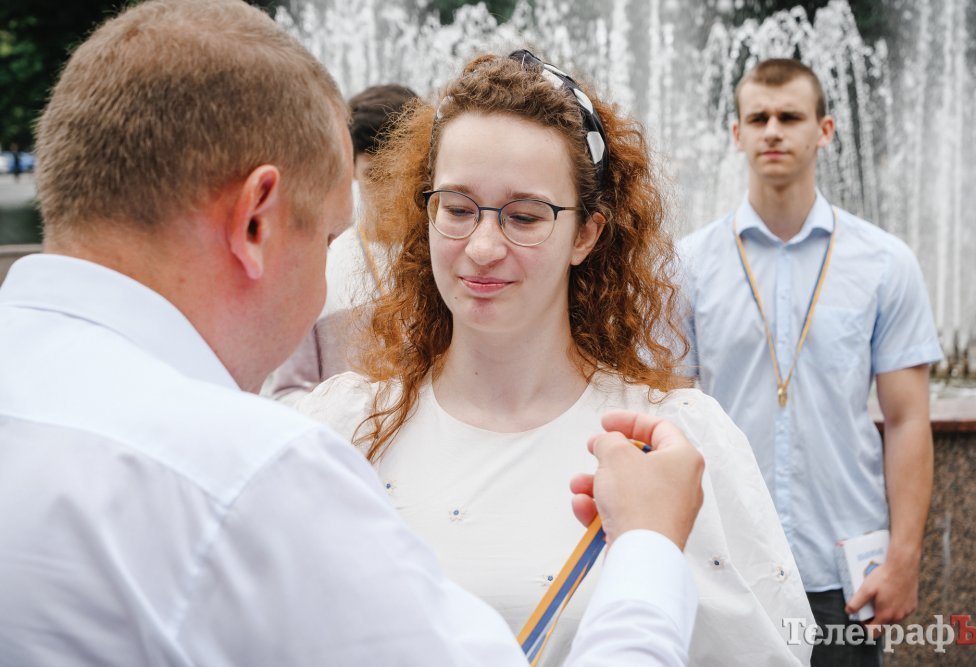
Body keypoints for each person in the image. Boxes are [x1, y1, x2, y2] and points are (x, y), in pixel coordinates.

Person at [0, 2, 708, 665]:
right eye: (329, 237)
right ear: (256, 221)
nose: (483, 246)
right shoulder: (249, 477)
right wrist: (648, 546)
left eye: (524, 216)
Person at [298, 50, 813, 666]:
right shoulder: (344, 429)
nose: (483, 247)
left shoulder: (671, 443)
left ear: (587, 234)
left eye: (524, 217)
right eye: (457, 209)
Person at [678, 58, 943, 666]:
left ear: (824, 130)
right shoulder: (687, 265)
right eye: (758, 118)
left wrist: (905, 558)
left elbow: (908, 420)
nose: (773, 131)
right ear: (736, 134)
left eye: (789, 117)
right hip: (730, 563)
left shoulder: (885, 262)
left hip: (844, 568)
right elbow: (672, 420)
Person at [265, 84, 419, 404]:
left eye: (401, 174)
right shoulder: (318, 264)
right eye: (376, 175)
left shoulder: (449, 260)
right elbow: (289, 393)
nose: (391, 190)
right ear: (351, 168)